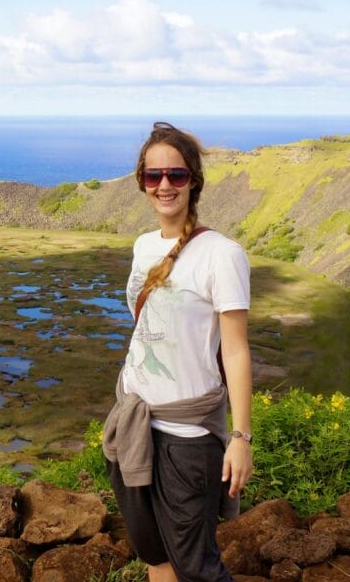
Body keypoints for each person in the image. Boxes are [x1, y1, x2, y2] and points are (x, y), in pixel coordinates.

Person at [102, 122, 253, 582]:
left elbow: (237, 350)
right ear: (142, 184)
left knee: (197, 567)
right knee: (155, 555)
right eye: (153, 177)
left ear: (194, 181)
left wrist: (241, 438)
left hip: (188, 439)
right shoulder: (144, 246)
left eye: (176, 175)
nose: (164, 185)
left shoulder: (221, 254)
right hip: (134, 425)